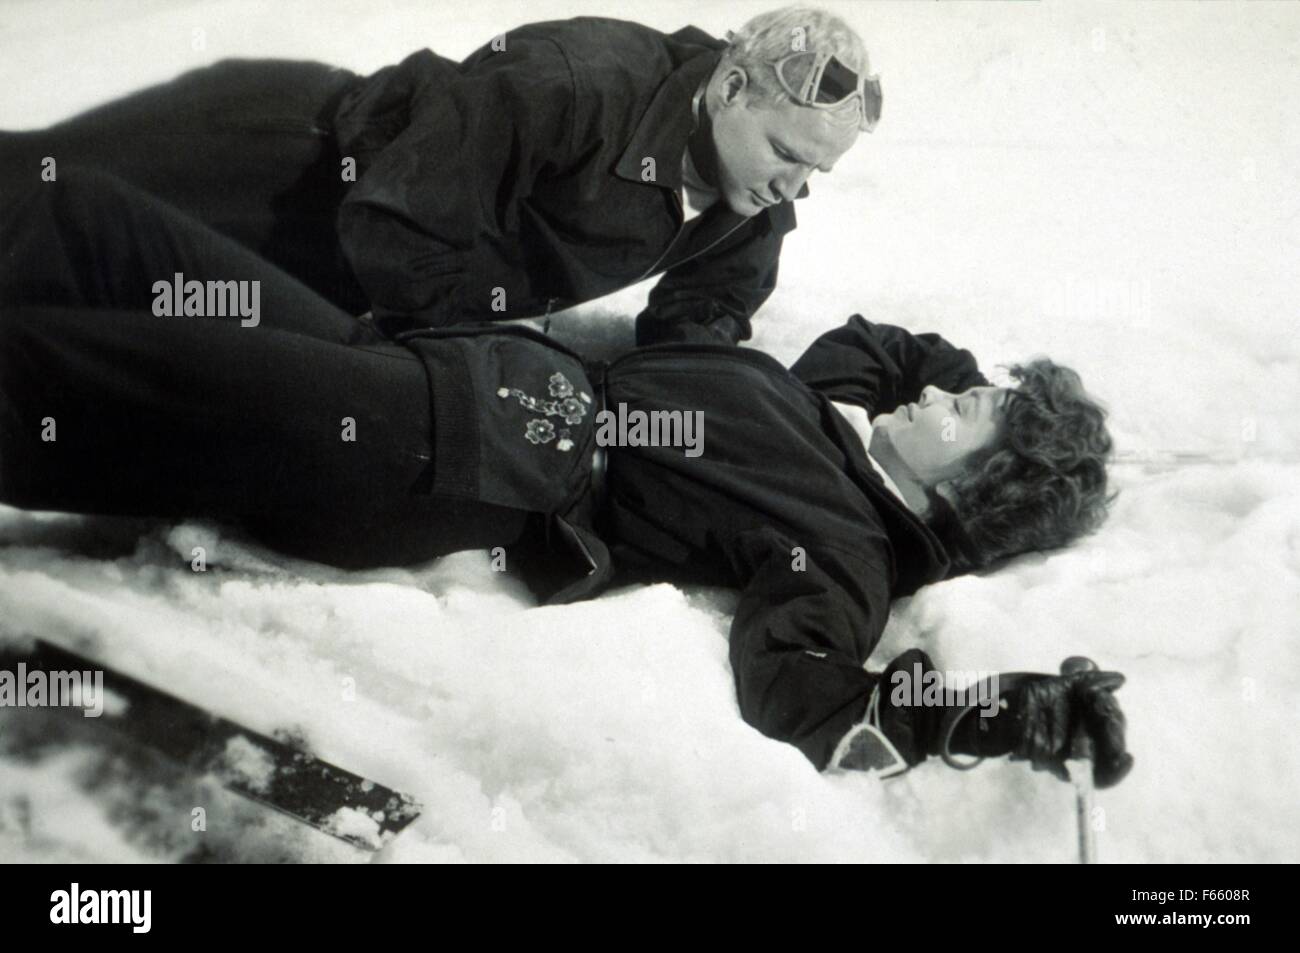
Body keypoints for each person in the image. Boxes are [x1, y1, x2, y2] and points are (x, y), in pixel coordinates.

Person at [0, 170, 1131, 787]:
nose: (940, 394)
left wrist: (982, 717)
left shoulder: (840, 551)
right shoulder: (829, 407)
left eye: (966, 415)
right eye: (964, 390)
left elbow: (810, 697)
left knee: (57, 375)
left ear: (967, 494)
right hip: (402, 360)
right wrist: (992, 396)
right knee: (91, 224)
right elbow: (887, 343)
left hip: (427, 453)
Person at [0, 8, 881, 346]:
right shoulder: (569, 83)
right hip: (277, 157)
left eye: (817, 171)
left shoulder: (753, 190)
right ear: (729, 87)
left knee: (74, 299)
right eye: (789, 154)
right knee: (26, 198)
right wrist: (484, 366)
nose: (794, 188)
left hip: (346, 261)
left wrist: (693, 385)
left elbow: (709, 308)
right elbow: (399, 229)